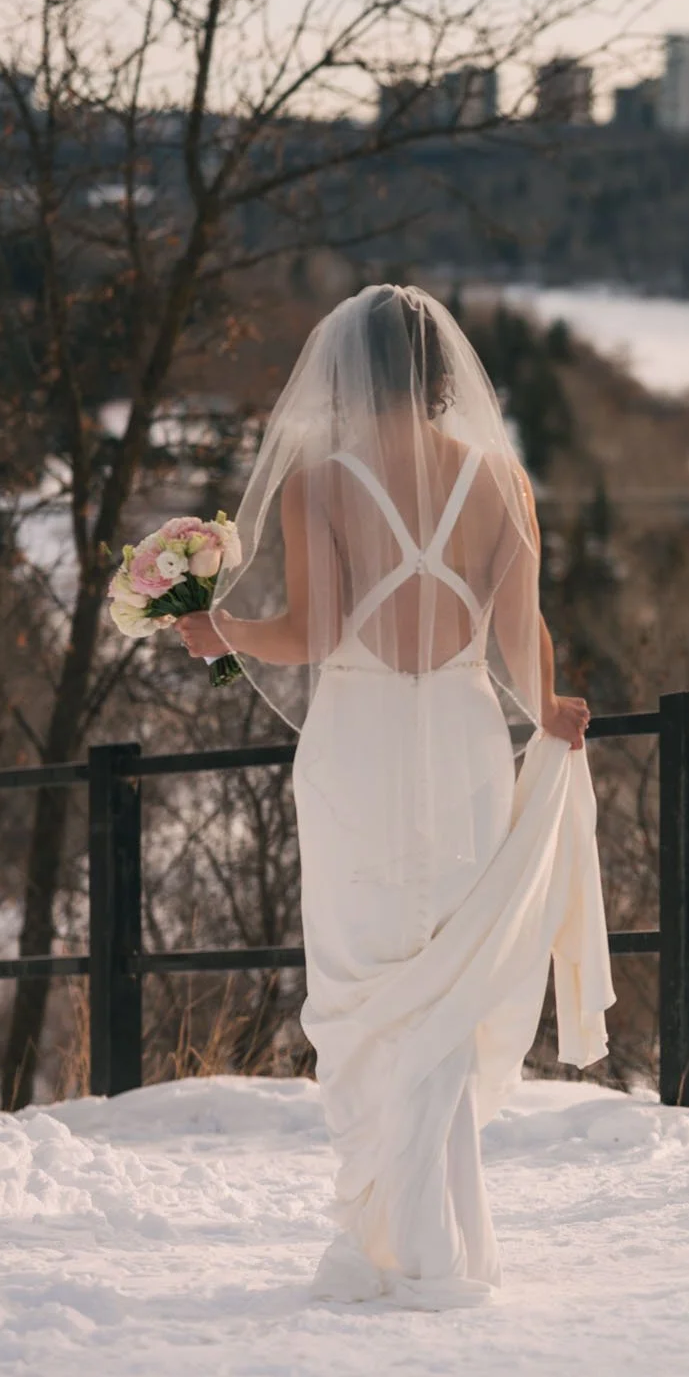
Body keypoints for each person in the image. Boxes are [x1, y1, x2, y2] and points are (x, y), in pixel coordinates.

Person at [176, 284, 612, 1306]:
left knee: (366, 986)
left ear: (349, 368)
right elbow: (520, 635)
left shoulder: (322, 483)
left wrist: (225, 631)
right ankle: (438, 1233)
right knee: (438, 984)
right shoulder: (501, 479)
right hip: (466, 742)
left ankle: (406, 1238)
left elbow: (317, 635)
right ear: (441, 373)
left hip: (359, 748)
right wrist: (547, 705)